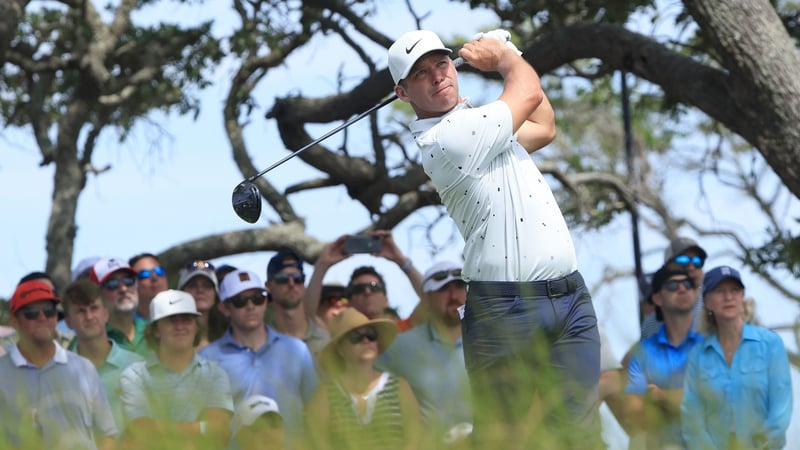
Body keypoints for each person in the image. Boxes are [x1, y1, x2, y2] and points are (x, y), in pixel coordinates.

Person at [388, 29, 600, 447]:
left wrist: (512, 53)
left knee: (578, 434)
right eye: (421, 74)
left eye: (442, 64)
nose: (438, 76)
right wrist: (505, 56)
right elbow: (526, 90)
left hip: (570, 297)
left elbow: (544, 123)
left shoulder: (484, 127)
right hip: (505, 308)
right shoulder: (446, 140)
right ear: (403, 92)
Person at [199, 269, 318, 448]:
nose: (250, 306)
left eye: (257, 298)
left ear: (265, 301)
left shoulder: (297, 349)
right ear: (224, 308)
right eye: (240, 301)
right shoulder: (206, 359)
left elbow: (317, 408)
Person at [681, 266, 792, 450]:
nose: (728, 297)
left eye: (735, 290)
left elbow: (781, 409)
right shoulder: (698, 355)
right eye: (720, 291)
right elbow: (692, 419)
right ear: (707, 302)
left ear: (742, 297)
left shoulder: (770, 344)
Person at [0, 280, 117, 449]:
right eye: (31, 312)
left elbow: (106, 434)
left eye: (49, 311)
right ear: (14, 321)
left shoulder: (84, 368)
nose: (42, 317)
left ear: (56, 317)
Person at [119, 289, 233, 449]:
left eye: (186, 319)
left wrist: (158, 429)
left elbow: (218, 433)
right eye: (171, 320)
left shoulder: (215, 374)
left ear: (196, 327)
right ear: (156, 330)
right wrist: (201, 428)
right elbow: (141, 430)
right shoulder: (134, 375)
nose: (180, 326)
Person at [376, 261, 472, 446]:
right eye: (443, 289)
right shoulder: (402, 345)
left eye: (459, 286)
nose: (453, 296)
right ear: (426, 299)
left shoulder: (491, 340)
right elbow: (371, 388)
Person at [307, 307, 422, 450]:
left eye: (371, 335)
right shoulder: (324, 395)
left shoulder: (400, 387)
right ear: (340, 349)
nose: (366, 340)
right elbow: (318, 444)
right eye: (356, 336)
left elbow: (414, 441)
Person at [621, 265, 703, 449]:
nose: (682, 288)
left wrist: (660, 396)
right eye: (673, 285)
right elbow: (634, 414)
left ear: (696, 294)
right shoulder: (642, 352)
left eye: (688, 284)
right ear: (657, 298)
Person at [61, 279, 144, 435]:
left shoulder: (137, 366)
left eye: (94, 308)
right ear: (68, 322)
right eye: (80, 311)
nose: (89, 316)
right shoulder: (60, 373)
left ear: (106, 314)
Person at [304, 230, 425, 331]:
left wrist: (401, 260)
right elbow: (308, 318)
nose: (367, 292)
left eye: (374, 287)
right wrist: (322, 265)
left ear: (386, 299)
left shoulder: (400, 331)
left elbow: (431, 300)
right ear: (349, 302)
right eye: (359, 289)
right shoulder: (340, 338)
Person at [264, 250, 331, 357]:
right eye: (283, 279)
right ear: (268, 286)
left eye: (297, 278)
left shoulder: (324, 340)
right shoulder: (261, 340)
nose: (291, 284)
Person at [641, 238, 708, 339]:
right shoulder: (651, 323)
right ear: (667, 267)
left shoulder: (717, 302)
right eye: (683, 260)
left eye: (697, 261)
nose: (691, 267)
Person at [89, 257, 150, 355]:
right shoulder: (87, 341)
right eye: (112, 283)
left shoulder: (157, 330)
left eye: (128, 280)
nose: (123, 288)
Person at [177, 259, 228, 347]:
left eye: (207, 286)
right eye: (192, 285)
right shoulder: (170, 337)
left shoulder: (227, 337)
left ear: (216, 294)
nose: (200, 290)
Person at [129, 252, 169, 321]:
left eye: (159, 271)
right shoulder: (126, 326)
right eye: (144, 274)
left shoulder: (184, 314)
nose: (154, 277)